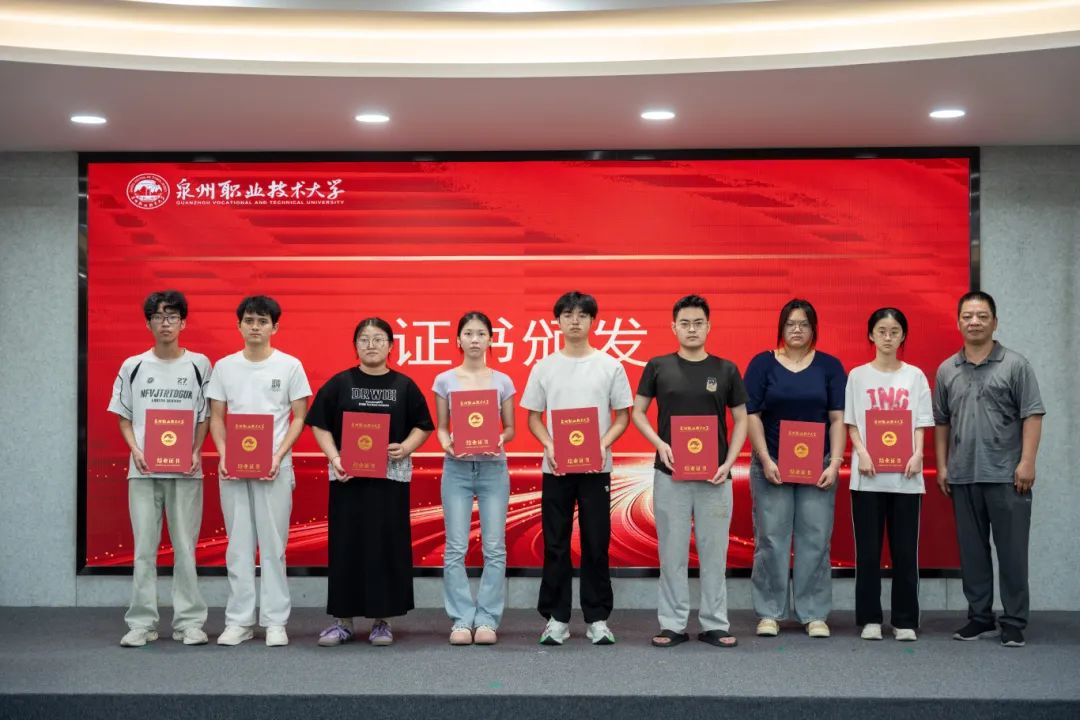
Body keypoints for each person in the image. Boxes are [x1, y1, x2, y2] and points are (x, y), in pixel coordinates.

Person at [306, 317, 434, 647]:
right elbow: (318, 422)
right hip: (348, 480)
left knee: (386, 546)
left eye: (378, 339)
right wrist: (334, 457)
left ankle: (383, 621)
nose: (371, 345)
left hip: (389, 482)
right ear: (355, 346)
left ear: (391, 346)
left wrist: (406, 447)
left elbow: (423, 425)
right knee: (346, 545)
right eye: (364, 339)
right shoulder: (340, 383)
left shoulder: (404, 385)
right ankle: (343, 621)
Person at [631, 295, 748, 649]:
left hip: (715, 477)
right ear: (674, 327)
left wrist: (729, 461)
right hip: (670, 475)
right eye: (685, 323)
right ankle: (672, 624)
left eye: (698, 323)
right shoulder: (658, 366)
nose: (692, 329)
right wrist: (659, 444)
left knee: (714, 554)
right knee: (672, 553)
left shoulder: (726, 369)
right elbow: (637, 412)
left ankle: (715, 623)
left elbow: (741, 418)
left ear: (709, 326)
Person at [520, 290, 633, 646]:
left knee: (596, 542)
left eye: (582, 315)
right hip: (556, 468)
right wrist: (550, 445)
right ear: (557, 321)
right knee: (556, 543)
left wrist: (602, 444)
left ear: (592, 321)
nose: (574, 321)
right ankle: (557, 618)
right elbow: (533, 418)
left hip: (596, 469)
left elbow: (623, 416)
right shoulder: (544, 366)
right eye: (567, 314)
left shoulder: (610, 366)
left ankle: (597, 618)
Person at [933, 291, 1044, 648]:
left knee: (1012, 553)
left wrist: (1027, 462)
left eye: (982, 316)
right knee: (972, 553)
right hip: (963, 475)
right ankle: (980, 617)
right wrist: (942, 466)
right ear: (958, 322)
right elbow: (941, 421)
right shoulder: (947, 369)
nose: (975, 322)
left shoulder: (1015, 364)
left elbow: (1032, 415)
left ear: (995, 322)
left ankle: (1013, 621)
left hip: (1008, 476)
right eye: (968, 316)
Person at [107, 290, 211, 647]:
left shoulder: (199, 364)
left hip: (186, 472)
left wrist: (195, 451)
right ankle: (141, 623)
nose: (165, 323)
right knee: (143, 550)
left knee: (186, 549)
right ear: (148, 323)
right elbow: (123, 416)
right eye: (158, 316)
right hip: (143, 471)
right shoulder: (133, 365)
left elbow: (205, 416)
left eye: (172, 316)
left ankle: (189, 622)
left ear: (183, 322)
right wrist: (135, 449)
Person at [206, 296, 311, 647]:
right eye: (249, 320)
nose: (255, 327)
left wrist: (279, 455)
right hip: (233, 468)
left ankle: (275, 621)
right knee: (237, 546)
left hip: (275, 466)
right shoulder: (224, 367)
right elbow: (217, 417)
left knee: (273, 545)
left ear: (274, 327)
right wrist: (223, 454)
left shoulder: (290, 366)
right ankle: (239, 620)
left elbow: (299, 417)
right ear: (239, 325)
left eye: (262, 321)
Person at [743, 298, 846, 638]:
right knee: (771, 539)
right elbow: (751, 415)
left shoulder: (829, 366)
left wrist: (835, 462)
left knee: (815, 538)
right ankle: (769, 612)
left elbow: (837, 418)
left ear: (814, 328)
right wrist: (765, 458)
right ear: (781, 327)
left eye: (804, 324)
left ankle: (813, 613)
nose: (797, 329)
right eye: (790, 324)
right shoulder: (762, 364)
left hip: (818, 466)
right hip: (771, 462)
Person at [844, 307, 933, 642]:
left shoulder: (915, 376)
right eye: (881, 331)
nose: (887, 337)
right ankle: (870, 618)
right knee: (868, 553)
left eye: (894, 331)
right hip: (867, 476)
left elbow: (922, 421)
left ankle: (904, 619)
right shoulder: (858, 376)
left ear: (903, 336)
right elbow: (851, 421)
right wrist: (862, 452)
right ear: (871, 335)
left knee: (905, 552)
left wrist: (918, 454)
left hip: (906, 477)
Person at [433, 312, 516, 646]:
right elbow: (441, 428)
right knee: (456, 547)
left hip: (493, 468)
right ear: (458, 339)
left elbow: (510, 428)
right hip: (457, 469)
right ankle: (461, 618)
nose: (475, 339)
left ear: (491, 339)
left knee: (494, 546)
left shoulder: (503, 381)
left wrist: (499, 439)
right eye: (468, 333)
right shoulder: (444, 380)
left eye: (481, 333)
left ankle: (487, 619)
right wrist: (448, 445)